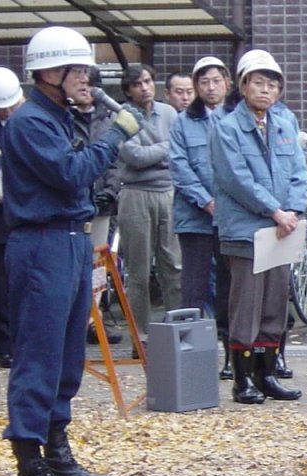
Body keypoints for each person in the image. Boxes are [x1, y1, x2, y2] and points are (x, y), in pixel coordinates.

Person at [1, 25, 141, 476]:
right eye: (78, 70)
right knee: (38, 354)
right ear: (49, 73)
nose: (87, 79)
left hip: (69, 242)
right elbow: (70, 175)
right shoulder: (30, 122)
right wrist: (113, 137)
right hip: (43, 244)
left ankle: (56, 450)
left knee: (66, 356)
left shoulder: (57, 117)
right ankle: (29, 465)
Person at [210, 50, 306, 404]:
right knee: (246, 304)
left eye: (272, 85)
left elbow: (298, 169)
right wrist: (275, 211)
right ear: (243, 85)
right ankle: (242, 380)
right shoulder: (227, 128)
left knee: (274, 302)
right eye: (258, 83)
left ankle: (267, 374)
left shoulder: (285, 124)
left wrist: (293, 209)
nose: (265, 90)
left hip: (283, 229)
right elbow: (236, 179)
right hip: (246, 229)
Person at [170, 56, 233, 377]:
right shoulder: (183, 122)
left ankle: (230, 357)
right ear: (195, 87)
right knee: (193, 290)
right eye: (204, 81)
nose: (210, 87)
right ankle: (192, 360)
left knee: (229, 287)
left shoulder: (237, 117)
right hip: (195, 220)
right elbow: (180, 169)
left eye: (216, 80)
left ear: (228, 84)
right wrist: (207, 202)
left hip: (233, 219)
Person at [116, 63, 181, 349]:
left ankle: (178, 332)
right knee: (138, 271)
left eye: (148, 81)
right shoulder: (120, 116)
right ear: (128, 90)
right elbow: (133, 157)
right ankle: (139, 338)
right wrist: (165, 149)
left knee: (174, 265)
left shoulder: (169, 113)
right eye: (138, 84)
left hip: (168, 192)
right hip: (134, 193)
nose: (145, 88)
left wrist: (159, 152)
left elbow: (179, 150)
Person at [71, 67, 124, 348]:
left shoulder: (108, 118)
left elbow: (116, 161)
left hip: (102, 205)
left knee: (98, 267)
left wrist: (110, 191)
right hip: (75, 202)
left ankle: (96, 320)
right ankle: (77, 321)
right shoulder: (66, 117)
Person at [0, 67, 24, 369]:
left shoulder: (26, 120)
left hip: (24, 216)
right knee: (0, 286)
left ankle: (23, 340)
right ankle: (5, 345)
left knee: (22, 284)